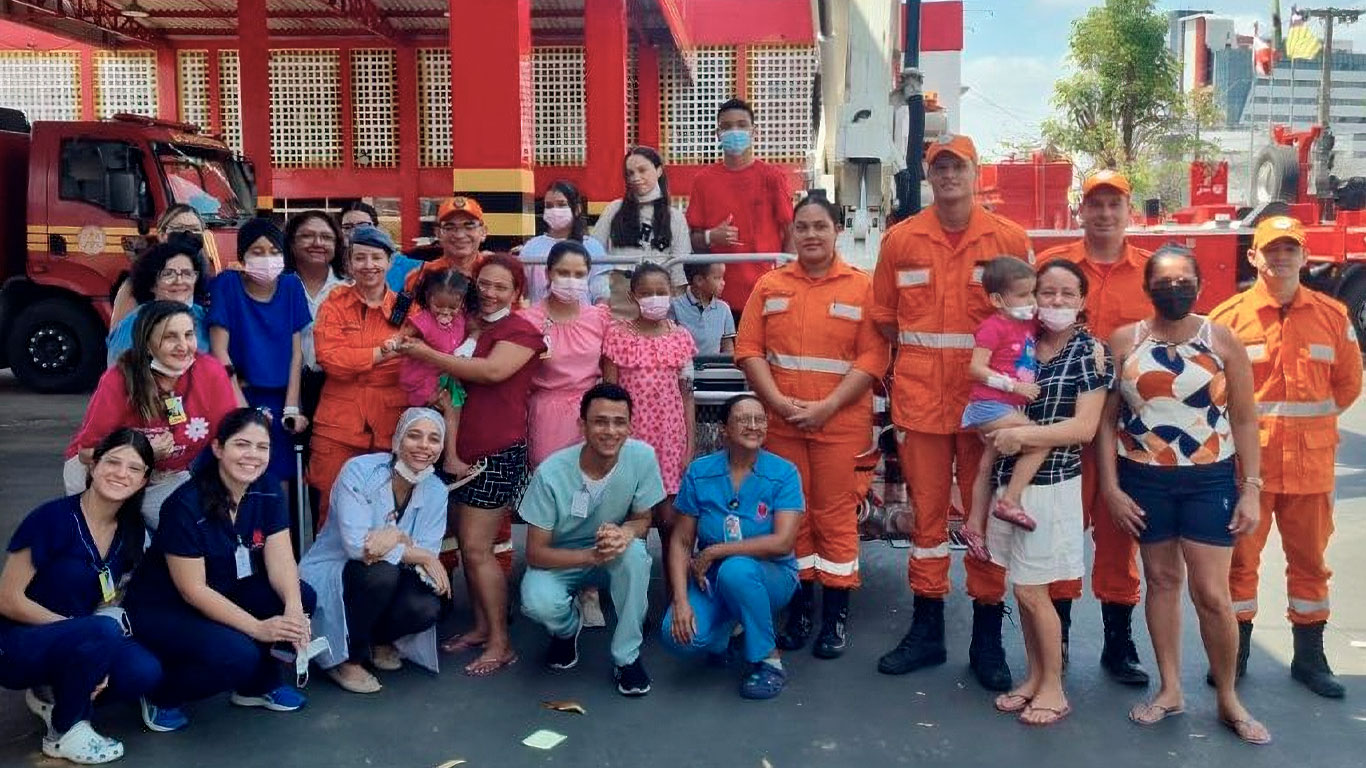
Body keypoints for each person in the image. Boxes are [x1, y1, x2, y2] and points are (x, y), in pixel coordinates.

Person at [872, 133, 1031, 691]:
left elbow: (1022, 324)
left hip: (986, 408)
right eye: (939, 168)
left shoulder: (1008, 239)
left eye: (957, 166)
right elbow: (887, 320)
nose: (948, 176)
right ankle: (928, 628)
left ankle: (987, 636)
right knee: (928, 520)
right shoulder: (900, 241)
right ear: (927, 174)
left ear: (975, 170)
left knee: (982, 519)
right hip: (921, 404)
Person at [1098, 246, 1270, 745]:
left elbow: (1243, 417)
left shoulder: (1222, 340)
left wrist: (1251, 489)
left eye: (1184, 279)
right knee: (1161, 580)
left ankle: (1228, 699)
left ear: (1199, 284)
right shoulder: (1124, 341)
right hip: (1144, 478)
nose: (1174, 288)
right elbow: (1108, 422)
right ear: (1148, 286)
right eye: (1164, 280)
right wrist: (1109, 487)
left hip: (1208, 480)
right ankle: (1170, 689)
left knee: (1213, 595)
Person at [1209, 215, 1362, 698]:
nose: (1280, 257)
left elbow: (1347, 385)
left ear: (1304, 255)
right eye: (1270, 249)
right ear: (1254, 256)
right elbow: (1212, 390)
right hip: (1248, 471)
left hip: (1312, 467)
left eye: (1289, 249)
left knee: (1310, 564)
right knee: (1238, 564)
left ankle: (1310, 658)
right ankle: (1237, 653)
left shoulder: (1333, 316)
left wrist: (1307, 430)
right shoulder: (1228, 319)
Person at [735, 196, 888, 659]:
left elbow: (872, 358)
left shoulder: (863, 288)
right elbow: (749, 350)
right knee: (791, 516)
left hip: (840, 424)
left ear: (838, 230)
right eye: (802, 227)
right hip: (781, 424)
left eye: (820, 226)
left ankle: (835, 616)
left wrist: (828, 407)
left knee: (835, 516)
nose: (811, 235)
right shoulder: (769, 285)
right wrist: (776, 403)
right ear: (792, 233)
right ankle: (800, 609)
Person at [398, 253, 545, 676]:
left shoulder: (522, 330)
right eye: (484, 283)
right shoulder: (469, 323)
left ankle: (501, 642)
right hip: (458, 450)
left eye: (502, 286)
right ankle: (482, 628)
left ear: (518, 292)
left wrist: (424, 354)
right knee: (467, 545)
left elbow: (490, 372)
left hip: (495, 451)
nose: (490, 291)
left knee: (479, 549)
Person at [124, 409, 316, 733]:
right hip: (167, 607)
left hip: (226, 586)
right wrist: (257, 628)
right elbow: (192, 590)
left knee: (300, 597)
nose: (252, 456)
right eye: (242, 445)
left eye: (262, 447)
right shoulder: (186, 505)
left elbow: (281, 559)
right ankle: (162, 693)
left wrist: (294, 611)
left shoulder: (266, 488)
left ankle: (254, 686)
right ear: (217, 448)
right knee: (237, 656)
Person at [980, 260, 1110, 726]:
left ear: (1082, 300)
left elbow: (1084, 427)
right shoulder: (1025, 339)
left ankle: (1055, 687)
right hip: (1009, 482)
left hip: (1052, 485)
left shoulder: (1090, 353)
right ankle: (1034, 677)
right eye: (1046, 292)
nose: (1054, 302)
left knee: (1037, 593)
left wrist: (1024, 438)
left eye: (1066, 294)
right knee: (1020, 587)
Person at [1034, 169, 1151, 683]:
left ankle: (1118, 642)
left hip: (1128, 430)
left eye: (1114, 205)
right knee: (1059, 530)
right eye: (1095, 204)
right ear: (1081, 210)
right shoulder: (1052, 268)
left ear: (1129, 212)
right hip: (1060, 427)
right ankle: (1054, 638)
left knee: (1118, 533)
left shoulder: (1150, 274)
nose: (1105, 214)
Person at [0, 430, 162, 765]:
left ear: (145, 479)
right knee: (99, 632)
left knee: (143, 671)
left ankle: (56, 694)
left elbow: (110, 600)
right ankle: (64, 732)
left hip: (83, 636)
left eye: (134, 468)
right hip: (18, 640)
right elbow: (7, 599)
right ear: (93, 465)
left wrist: (94, 647)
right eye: (113, 462)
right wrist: (86, 636)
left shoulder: (132, 532)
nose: (121, 473)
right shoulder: (51, 519)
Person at [519, 384, 664, 696]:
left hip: (612, 549)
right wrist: (589, 557)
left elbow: (642, 519)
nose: (610, 431)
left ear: (630, 426)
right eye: (600, 421)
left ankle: (627, 657)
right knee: (537, 602)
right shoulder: (551, 472)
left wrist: (624, 533)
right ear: (581, 425)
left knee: (636, 558)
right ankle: (567, 629)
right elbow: (535, 553)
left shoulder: (642, 457)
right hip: (564, 556)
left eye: (619, 422)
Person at [662, 394, 804, 699]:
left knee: (736, 571)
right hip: (713, 577)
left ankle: (768, 660)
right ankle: (730, 629)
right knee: (678, 638)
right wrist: (680, 601)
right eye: (742, 419)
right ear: (723, 429)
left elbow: (783, 543)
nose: (753, 426)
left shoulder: (784, 473)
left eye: (759, 419)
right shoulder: (700, 472)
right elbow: (682, 540)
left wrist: (715, 551)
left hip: (771, 574)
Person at [299, 408, 450, 694]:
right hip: (339, 568)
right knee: (381, 573)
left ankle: (376, 640)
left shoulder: (436, 490)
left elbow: (427, 550)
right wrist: (405, 543)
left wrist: (396, 543)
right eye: (414, 436)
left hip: (391, 572)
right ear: (397, 440)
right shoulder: (360, 470)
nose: (423, 446)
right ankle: (347, 660)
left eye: (433, 439)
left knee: (428, 606)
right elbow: (358, 547)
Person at [64, 301, 238, 528]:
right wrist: (141, 452)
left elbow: (230, 436)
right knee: (116, 543)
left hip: (166, 476)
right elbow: (87, 452)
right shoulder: (118, 378)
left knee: (198, 531)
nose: (183, 346)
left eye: (189, 335)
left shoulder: (210, 371)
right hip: (103, 471)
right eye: (170, 337)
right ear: (147, 344)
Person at [603, 262, 697, 596]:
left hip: (671, 442)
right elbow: (609, 395)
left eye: (661, 292)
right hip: (631, 443)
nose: (655, 298)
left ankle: (679, 597)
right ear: (633, 296)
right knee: (635, 524)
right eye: (646, 293)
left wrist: (689, 448)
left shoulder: (680, 338)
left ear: (672, 293)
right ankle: (634, 600)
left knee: (672, 521)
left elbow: (687, 396)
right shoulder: (618, 337)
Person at [309, 224, 411, 525]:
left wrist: (359, 360)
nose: (369, 266)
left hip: (389, 425)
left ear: (390, 262)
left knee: (388, 511)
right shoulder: (335, 304)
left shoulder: (407, 308)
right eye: (360, 258)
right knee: (332, 511)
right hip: (338, 426)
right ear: (349, 263)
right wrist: (384, 353)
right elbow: (331, 360)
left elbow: (415, 356)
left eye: (377, 258)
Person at [208, 217, 311, 484]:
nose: (267, 258)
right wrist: (241, 407)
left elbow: (296, 352)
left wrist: (291, 406)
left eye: (274, 251)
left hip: (280, 398)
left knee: (280, 475)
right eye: (257, 251)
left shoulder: (291, 286)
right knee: (239, 469)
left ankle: (280, 527)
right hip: (239, 392)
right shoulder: (227, 285)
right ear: (242, 256)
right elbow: (220, 351)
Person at [962, 256, 1046, 547]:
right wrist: (1014, 386)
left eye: (1033, 293)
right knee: (1040, 440)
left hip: (1005, 406)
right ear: (997, 299)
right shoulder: (993, 327)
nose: (1031, 301)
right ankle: (1010, 500)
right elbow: (975, 368)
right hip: (989, 406)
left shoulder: (1026, 325)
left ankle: (973, 525)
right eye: (1023, 295)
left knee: (987, 466)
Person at [686, 98, 795, 312]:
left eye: (742, 125)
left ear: (754, 132)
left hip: (767, 292)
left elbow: (790, 230)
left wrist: (787, 278)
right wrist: (711, 237)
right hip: (717, 297)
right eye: (726, 127)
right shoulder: (703, 180)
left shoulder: (772, 177)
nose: (734, 131)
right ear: (717, 134)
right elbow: (691, 238)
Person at [522, 241, 614, 467]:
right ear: (548, 273)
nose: (572, 280)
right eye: (563, 273)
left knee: (591, 483)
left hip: (593, 412)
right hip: (547, 415)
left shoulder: (600, 318)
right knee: (551, 480)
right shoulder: (528, 320)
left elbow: (611, 371)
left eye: (579, 274)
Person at [390, 268, 472, 479]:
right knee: (447, 409)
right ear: (428, 299)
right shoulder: (423, 320)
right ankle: (448, 459)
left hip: (444, 376)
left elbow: (477, 329)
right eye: (439, 306)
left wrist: (471, 342)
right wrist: (395, 345)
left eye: (452, 307)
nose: (445, 312)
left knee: (453, 408)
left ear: (462, 302)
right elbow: (401, 338)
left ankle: (442, 459)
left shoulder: (461, 319)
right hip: (422, 379)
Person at [591, 148, 691, 318]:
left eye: (642, 170)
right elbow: (594, 252)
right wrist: (601, 295)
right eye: (630, 173)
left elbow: (679, 271)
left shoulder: (675, 217)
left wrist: (674, 309)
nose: (636, 177)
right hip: (618, 295)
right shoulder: (614, 209)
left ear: (659, 170)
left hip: (658, 296)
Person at [283, 211, 349, 423]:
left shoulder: (350, 288)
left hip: (336, 387)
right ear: (291, 243)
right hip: (283, 385)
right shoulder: (277, 285)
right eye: (307, 236)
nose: (317, 242)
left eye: (326, 237)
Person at [105, 235, 212, 366]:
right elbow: (119, 377)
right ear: (152, 283)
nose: (179, 281)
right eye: (168, 274)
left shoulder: (204, 317)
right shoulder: (135, 324)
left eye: (187, 274)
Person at [110, 205, 207, 328]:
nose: (188, 234)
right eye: (180, 228)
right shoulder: (132, 286)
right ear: (162, 235)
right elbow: (118, 339)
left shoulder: (209, 283)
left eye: (195, 229)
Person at [519, 180, 610, 305]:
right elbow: (521, 289)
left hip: (583, 321)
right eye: (549, 206)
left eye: (561, 204)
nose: (554, 210)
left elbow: (601, 293)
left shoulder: (592, 247)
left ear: (577, 209)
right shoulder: (532, 247)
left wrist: (598, 320)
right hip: (541, 321)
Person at [405, 196, 488, 292]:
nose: (459, 235)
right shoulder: (421, 277)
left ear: (483, 232)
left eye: (469, 226)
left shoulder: (498, 275)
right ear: (438, 233)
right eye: (450, 227)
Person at [340, 201, 422, 292]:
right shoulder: (333, 267)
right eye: (347, 227)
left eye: (363, 226)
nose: (354, 232)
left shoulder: (409, 267)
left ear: (377, 228)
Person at [670, 262, 735, 355]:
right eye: (717, 278)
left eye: (723, 278)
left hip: (714, 367)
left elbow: (728, 348)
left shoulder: (724, 309)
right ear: (699, 280)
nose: (723, 283)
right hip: (685, 366)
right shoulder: (674, 306)